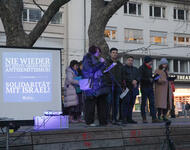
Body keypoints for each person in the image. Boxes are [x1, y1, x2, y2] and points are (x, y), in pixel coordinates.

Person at [82, 45, 109, 126]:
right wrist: (101, 63)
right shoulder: (87, 58)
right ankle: (89, 122)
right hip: (90, 84)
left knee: (102, 103)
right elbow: (90, 70)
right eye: (98, 51)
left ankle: (103, 121)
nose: (99, 53)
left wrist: (104, 65)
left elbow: (99, 69)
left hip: (99, 84)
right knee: (90, 104)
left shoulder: (96, 59)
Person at [139, 56, 161, 123]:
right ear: (147, 61)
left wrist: (155, 78)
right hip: (144, 88)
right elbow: (140, 78)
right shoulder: (141, 68)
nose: (152, 62)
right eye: (151, 61)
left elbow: (150, 78)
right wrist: (149, 79)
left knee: (152, 103)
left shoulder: (149, 68)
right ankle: (144, 118)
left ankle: (154, 118)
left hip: (150, 88)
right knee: (143, 103)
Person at [104, 48, 123, 124]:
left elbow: (121, 75)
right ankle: (108, 118)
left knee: (116, 103)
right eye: (113, 52)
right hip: (109, 85)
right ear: (110, 53)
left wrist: (121, 84)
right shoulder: (107, 63)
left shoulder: (119, 64)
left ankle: (114, 118)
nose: (115, 54)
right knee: (109, 102)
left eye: (116, 53)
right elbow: (104, 73)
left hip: (117, 85)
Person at [122, 56, 139, 124]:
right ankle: (124, 119)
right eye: (129, 60)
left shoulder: (135, 69)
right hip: (126, 88)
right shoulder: (123, 68)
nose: (130, 61)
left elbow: (138, 76)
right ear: (126, 61)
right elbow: (124, 77)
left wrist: (136, 80)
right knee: (125, 104)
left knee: (131, 104)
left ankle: (129, 118)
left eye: (132, 60)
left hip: (133, 89)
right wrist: (131, 81)